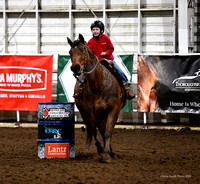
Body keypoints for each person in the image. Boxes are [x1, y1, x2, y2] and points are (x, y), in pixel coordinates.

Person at [73, 20, 135, 100]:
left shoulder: (106, 38)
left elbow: (111, 48)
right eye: (93, 30)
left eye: (97, 29)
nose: (95, 31)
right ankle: (80, 89)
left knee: (118, 70)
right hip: (96, 62)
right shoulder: (90, 42)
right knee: (85, 72)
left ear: (101, 30)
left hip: (107, 60)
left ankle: (126, 87)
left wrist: (105, 53)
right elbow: (89, 52)